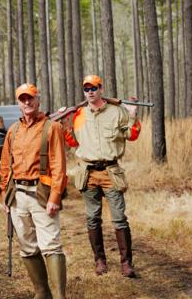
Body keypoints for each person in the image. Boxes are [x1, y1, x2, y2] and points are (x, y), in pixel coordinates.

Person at [63, 75, 140, 278]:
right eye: (86, 88)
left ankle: (126, 264)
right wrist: (65, 123)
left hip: (110, 172)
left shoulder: (117, 112)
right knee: (92, 219)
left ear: (101, 89)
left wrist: (132, 114)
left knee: (119, 219)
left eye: (94, 87)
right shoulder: (79, 114)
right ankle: (100, 261)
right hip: (87, 173)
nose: (90, 91)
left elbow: (132, 135)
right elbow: (71, 142)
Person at [0, 83, 68, 299]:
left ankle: (59, 297)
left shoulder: (51, 127)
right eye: (22, 99)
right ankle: (42, 293)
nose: (27, 102)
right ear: (18, 103)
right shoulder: (13, 131)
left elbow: (59, 166)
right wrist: (5, 195)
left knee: (51, 246)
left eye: (31, 98)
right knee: (27, 248)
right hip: (17, 196)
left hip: (42, 194)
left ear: (39, 100)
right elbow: (5, 166)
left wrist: (55, 197)